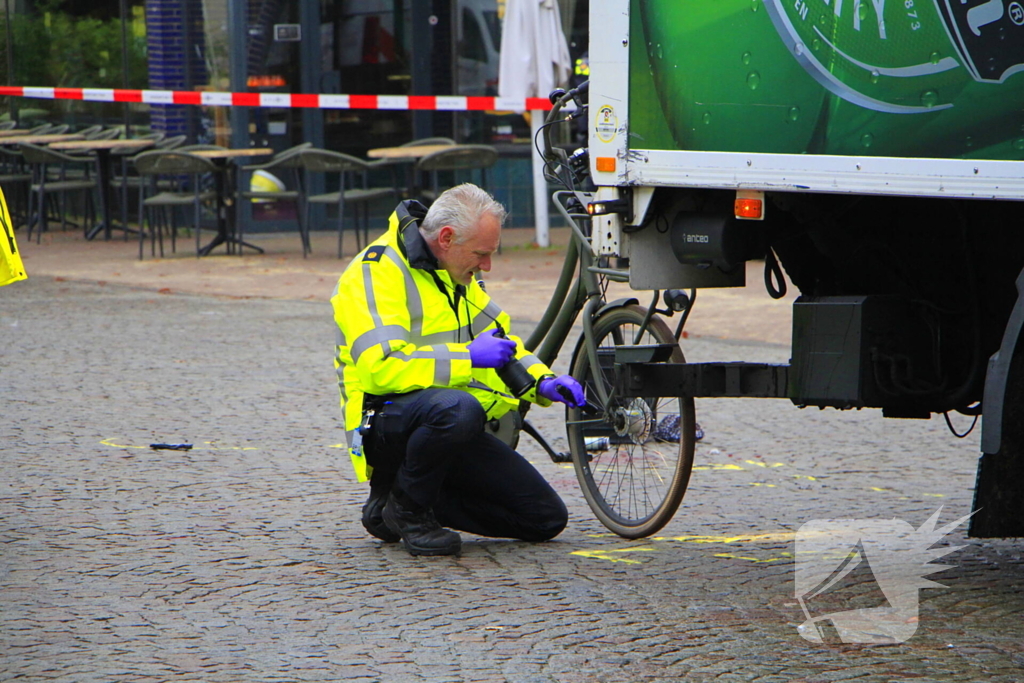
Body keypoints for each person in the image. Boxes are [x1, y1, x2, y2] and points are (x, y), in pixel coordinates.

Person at [331, 184, 585, 556]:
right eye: (481, 254)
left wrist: (543, 383)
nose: (487, 266)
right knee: (459, 409)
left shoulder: (455, 270)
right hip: (385, 422)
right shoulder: (374, 273)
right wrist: (467, 358)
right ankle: (408, 509)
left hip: (444, 424)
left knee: (545, 518)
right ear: (447, 238)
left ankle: (391, 508)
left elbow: (500, 343)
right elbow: (381, 370)